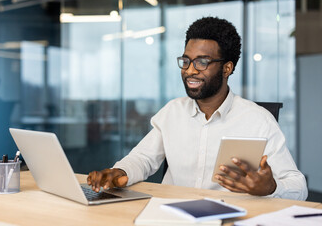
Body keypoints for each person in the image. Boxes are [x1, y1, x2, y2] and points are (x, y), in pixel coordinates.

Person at [87, 17, 308, 200]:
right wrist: (120, 172)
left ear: (227, 68)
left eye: (202, 62)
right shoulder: (173, 112)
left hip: (229, 217)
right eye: (186, 61)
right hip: (170, 216)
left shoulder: (258, 120)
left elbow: (298, 187)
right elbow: (143, 159)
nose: (190, 70)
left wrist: (270, 188)